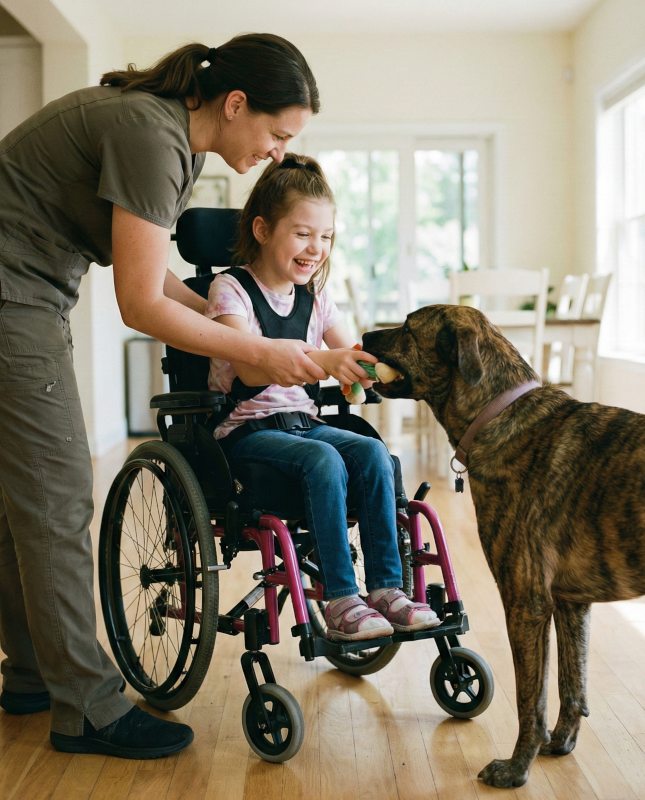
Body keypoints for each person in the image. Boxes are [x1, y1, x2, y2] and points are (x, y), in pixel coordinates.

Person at [0, 35, 370, 760]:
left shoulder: (174, 138)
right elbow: (138, 303)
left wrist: (212, 312)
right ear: (235, 105)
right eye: (275, 133)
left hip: (30, 290)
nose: (274, 152)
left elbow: (152, 272)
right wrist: (260, 350)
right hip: (16, 295)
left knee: (20, 498)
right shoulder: (152, 136)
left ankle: (34, 673)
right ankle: (88, 709)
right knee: (57, 496)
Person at [205, 154, 440, 641]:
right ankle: (339, 597)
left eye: (327, 236)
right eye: (303, 233)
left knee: (374, 452)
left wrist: (373, 369)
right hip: (247, 432)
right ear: (264, 229)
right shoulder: (231, 289)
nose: (316, 248)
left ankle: (387, 590)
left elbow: (349, 354)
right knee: (323, 459)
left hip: (303, 424)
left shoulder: (316, 297)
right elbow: (250, 362)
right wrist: (327, 360)